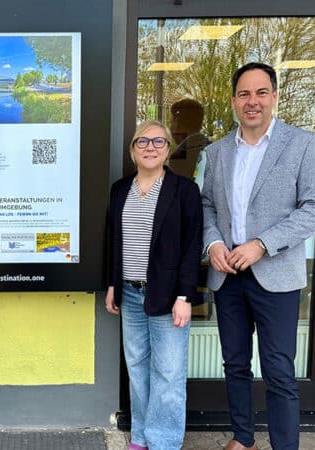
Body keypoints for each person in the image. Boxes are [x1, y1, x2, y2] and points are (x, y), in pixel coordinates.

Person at [202, 62, 315, 450]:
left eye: (260, 92)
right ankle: (243, 439)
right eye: (244, 94)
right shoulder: (217, 151)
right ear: (233, 101)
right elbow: (207, 206)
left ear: (274, 97)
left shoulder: (301, 144)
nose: (252, 101)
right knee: (235, 365)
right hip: (228, 275)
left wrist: (262, 244)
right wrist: (214, 244)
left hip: (276, 274)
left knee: (279, 371)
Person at [106, 120, 203, 450]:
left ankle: (164, 443)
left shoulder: (184, 190)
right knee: (137, 367)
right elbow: (114, 241)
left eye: (158, 141)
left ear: (168, 149)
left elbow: (192, 246)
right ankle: (141, 437)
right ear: (133, 150)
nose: (150, 147)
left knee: (168, 373)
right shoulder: (120, 190)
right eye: (143, 141)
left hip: (169, 295)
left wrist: (185, 295)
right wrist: (112, 284)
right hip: (129, 292)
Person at [168, 98, 211, 183]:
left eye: (171, 123)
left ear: (177, 124)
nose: (170, 128)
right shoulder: (213, 149)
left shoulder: (179, 158)